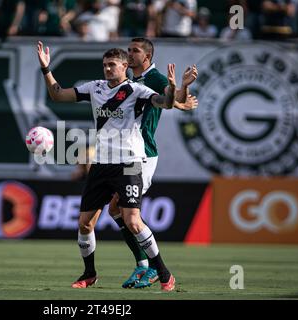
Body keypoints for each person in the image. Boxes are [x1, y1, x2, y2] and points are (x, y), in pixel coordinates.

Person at [36, 41, 198, 291]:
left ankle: (163, 272)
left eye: (112, 65)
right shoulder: (95, 88)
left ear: (124, 66)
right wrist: (46, 69)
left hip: (130, 163)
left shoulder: (137, 90)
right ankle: (89, 274)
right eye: (105, 65)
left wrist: (179, 86)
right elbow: (58, 94)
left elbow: (165, 102)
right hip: (101, 164)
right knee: (84, 223)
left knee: (132, 220)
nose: (108, 69)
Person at [106, 37, 198, 289]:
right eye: (128, 50)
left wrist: (183, 90)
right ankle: (143, 265)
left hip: (143, 153)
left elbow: (169, 97)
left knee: (130, 215)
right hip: (126, 152)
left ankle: (156, 270)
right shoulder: (129, 80)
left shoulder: (155, 77)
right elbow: (171, 102)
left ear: (146, 57)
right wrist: (181, 104)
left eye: (134, 51)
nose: (130, 54)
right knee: (115, 209)